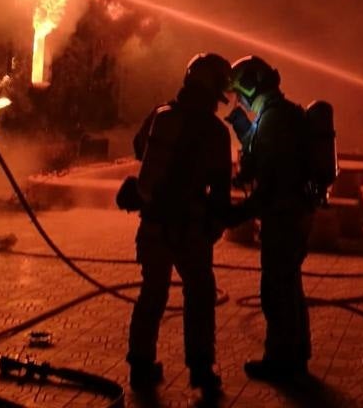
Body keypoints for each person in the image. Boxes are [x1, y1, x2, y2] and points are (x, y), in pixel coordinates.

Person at [125, 53, 232, 396]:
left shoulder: (159, 115)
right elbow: (221, 189)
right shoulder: (215, 132)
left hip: (153, 224)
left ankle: (140, 366)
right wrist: (218, 223)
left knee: (152, 293)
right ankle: (201, 369)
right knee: (199, 293)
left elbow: (140, 151)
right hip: (190, 229)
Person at [226, 55, 313, 383]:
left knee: (276, 291)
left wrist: (239, 213)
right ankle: (297, 357)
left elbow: (271, 179)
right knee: (290, 287)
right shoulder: (280, 114)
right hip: (295, 212)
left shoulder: (274, 119)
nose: (239, 99)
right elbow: (260, 150)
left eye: (240, 92)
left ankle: (280, 362)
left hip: (283, 216)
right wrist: (241, 125)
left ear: (252, 86)